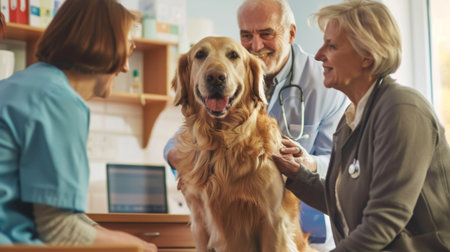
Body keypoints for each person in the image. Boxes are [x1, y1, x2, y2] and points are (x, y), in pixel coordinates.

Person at [164, 0, 348, 250]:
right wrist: (173, 154)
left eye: (266, 34)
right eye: (246, 35)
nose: (256, 45)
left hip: (307, 233)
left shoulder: (326, 83)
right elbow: (191, 133)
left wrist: (308, 162)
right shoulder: (232, 77)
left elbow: (341, 165)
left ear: (291, 33)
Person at [273, 0, 450, 251]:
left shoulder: (401, 109)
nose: (318, 55)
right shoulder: (351, 120)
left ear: (367, 55)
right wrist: (295, 174)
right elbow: (340, 201)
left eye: (331, 45)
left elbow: (385, 218)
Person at [0, 0, 157, 251]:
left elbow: (57, 214)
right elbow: (58, 229)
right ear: (105, 44)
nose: (126, 66)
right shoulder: (58, 100)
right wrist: (138, 246)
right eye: (127, 47)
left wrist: (110, 236)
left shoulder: (27, 84)